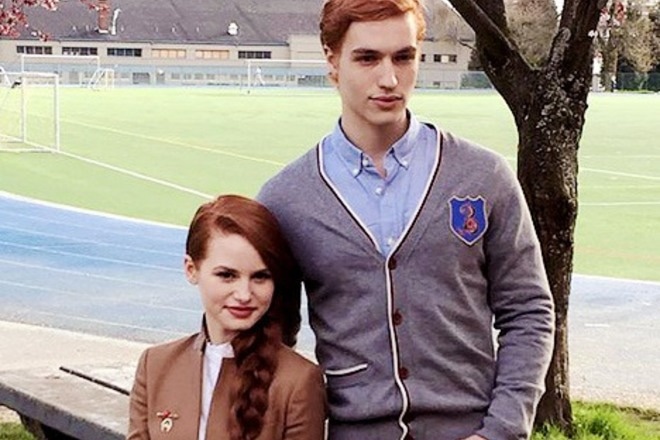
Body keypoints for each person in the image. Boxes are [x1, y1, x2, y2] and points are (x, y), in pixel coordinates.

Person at [257, 0, 555, 439]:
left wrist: (502, 429)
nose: (389, 79)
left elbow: (528, 310)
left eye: (403, 57)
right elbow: (269, 336)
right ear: (332, 60)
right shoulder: (287, 198)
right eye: (367, 58)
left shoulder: (483, 176)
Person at [127, 195, 326, 440]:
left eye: (260, 277)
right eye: (227, 275)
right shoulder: (155, 365)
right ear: (191, 269)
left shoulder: (299, 381)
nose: (244, 295)